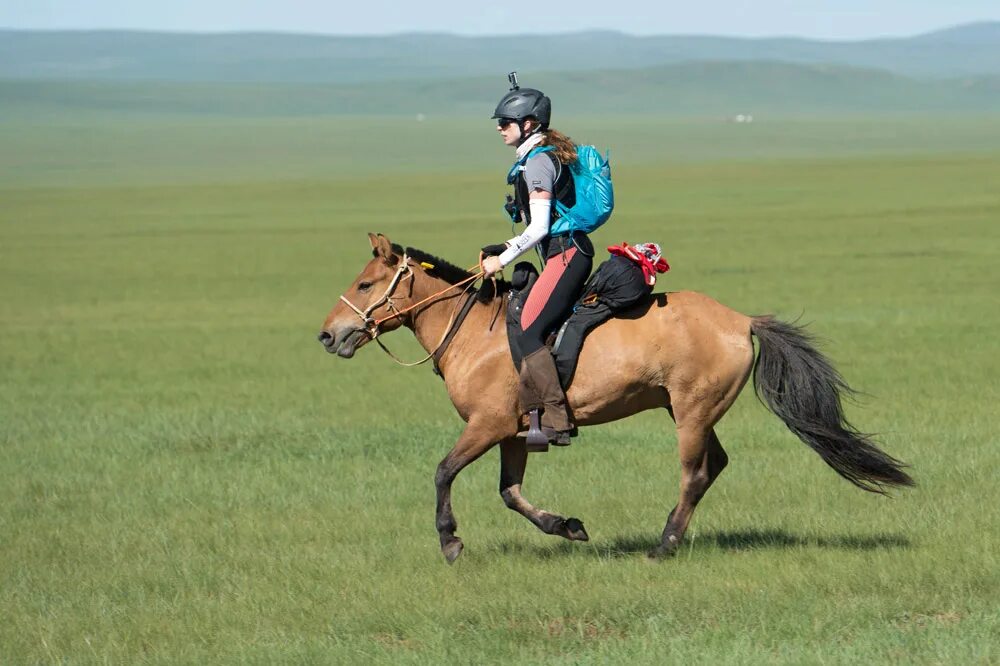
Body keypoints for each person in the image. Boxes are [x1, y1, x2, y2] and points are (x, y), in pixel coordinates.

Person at [480, 77, 595, 451]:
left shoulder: (538, 163)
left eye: (505, 122)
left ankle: (556, 422)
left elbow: (541, 227)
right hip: (562, 253)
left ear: (528, 124)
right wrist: (505, 246)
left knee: (529, 332)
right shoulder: (537, 157)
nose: (499, 128)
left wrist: (502, 259)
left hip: (567, 256)